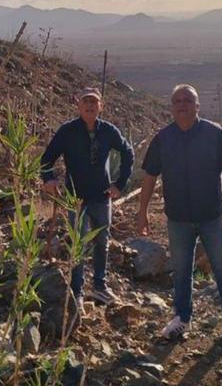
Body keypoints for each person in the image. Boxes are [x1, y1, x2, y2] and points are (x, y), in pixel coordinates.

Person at [136, 84, 222, 344]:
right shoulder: (163, 138)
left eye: (188, 100)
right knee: (182, 269)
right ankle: (181, 319)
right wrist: (141, 212)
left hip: (212, 216)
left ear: (197, 106)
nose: (182, 104)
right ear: (172, 107)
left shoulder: (214, 133)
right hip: (178, 218)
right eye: (177, 101)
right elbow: (150, 176)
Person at [41, 87, 134, 307]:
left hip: (102, 197)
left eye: (94, 102)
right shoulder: (67, 131)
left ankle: (100, 286)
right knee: (78, 245)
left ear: (101, 106)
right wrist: (49, 179)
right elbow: (47, 158)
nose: (90, 106)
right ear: (78, 106)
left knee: (102, 242)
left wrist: (120, 184)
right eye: (86, 102)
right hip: (76, 199)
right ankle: (77, 291)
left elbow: (127, 152)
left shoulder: (108, 131)